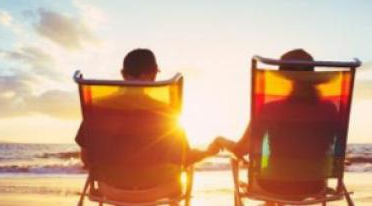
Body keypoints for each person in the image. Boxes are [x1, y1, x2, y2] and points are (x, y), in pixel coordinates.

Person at [75, 49, 219, 199]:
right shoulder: (166, 111)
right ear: (153, 75)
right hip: (160, 189)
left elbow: (86, 159)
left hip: (110, 190)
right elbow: (184, 158)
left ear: (123, 74)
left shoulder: (97, 108)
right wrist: (208, 151)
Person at [215, 49, 339, 197]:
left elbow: (241, 150)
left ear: (285, 78)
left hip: (272, 186)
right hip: (315, 186)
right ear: (312, 76)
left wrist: (221, 141)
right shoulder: (330, 109)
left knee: (268, 176)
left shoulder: (270, 110)